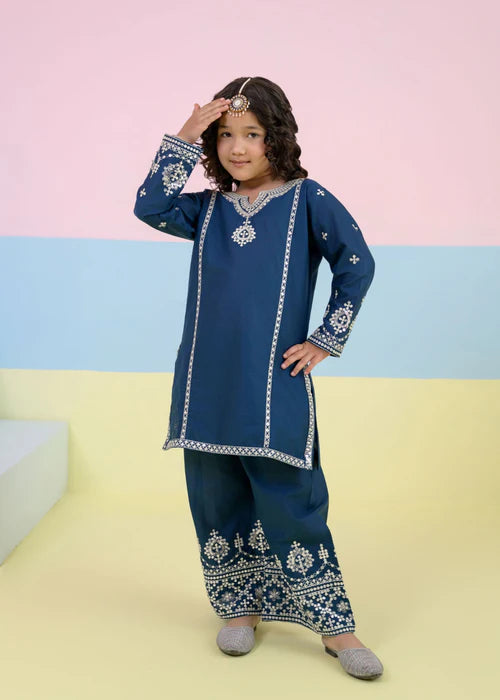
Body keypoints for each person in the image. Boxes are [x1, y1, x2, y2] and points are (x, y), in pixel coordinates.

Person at [133, 76, 383, 680]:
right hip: (205, 379)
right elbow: (150, 207)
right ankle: (237, 608)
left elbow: (357, 262)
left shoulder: (307, 200)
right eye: (225, 136)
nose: (237, 148)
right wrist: (183, 137)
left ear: (279, 137)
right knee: (215, 492)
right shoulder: (207, 210)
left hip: (273, 380)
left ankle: (334, 626)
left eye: (252, 134)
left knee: (291, 495)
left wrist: (326, 337)